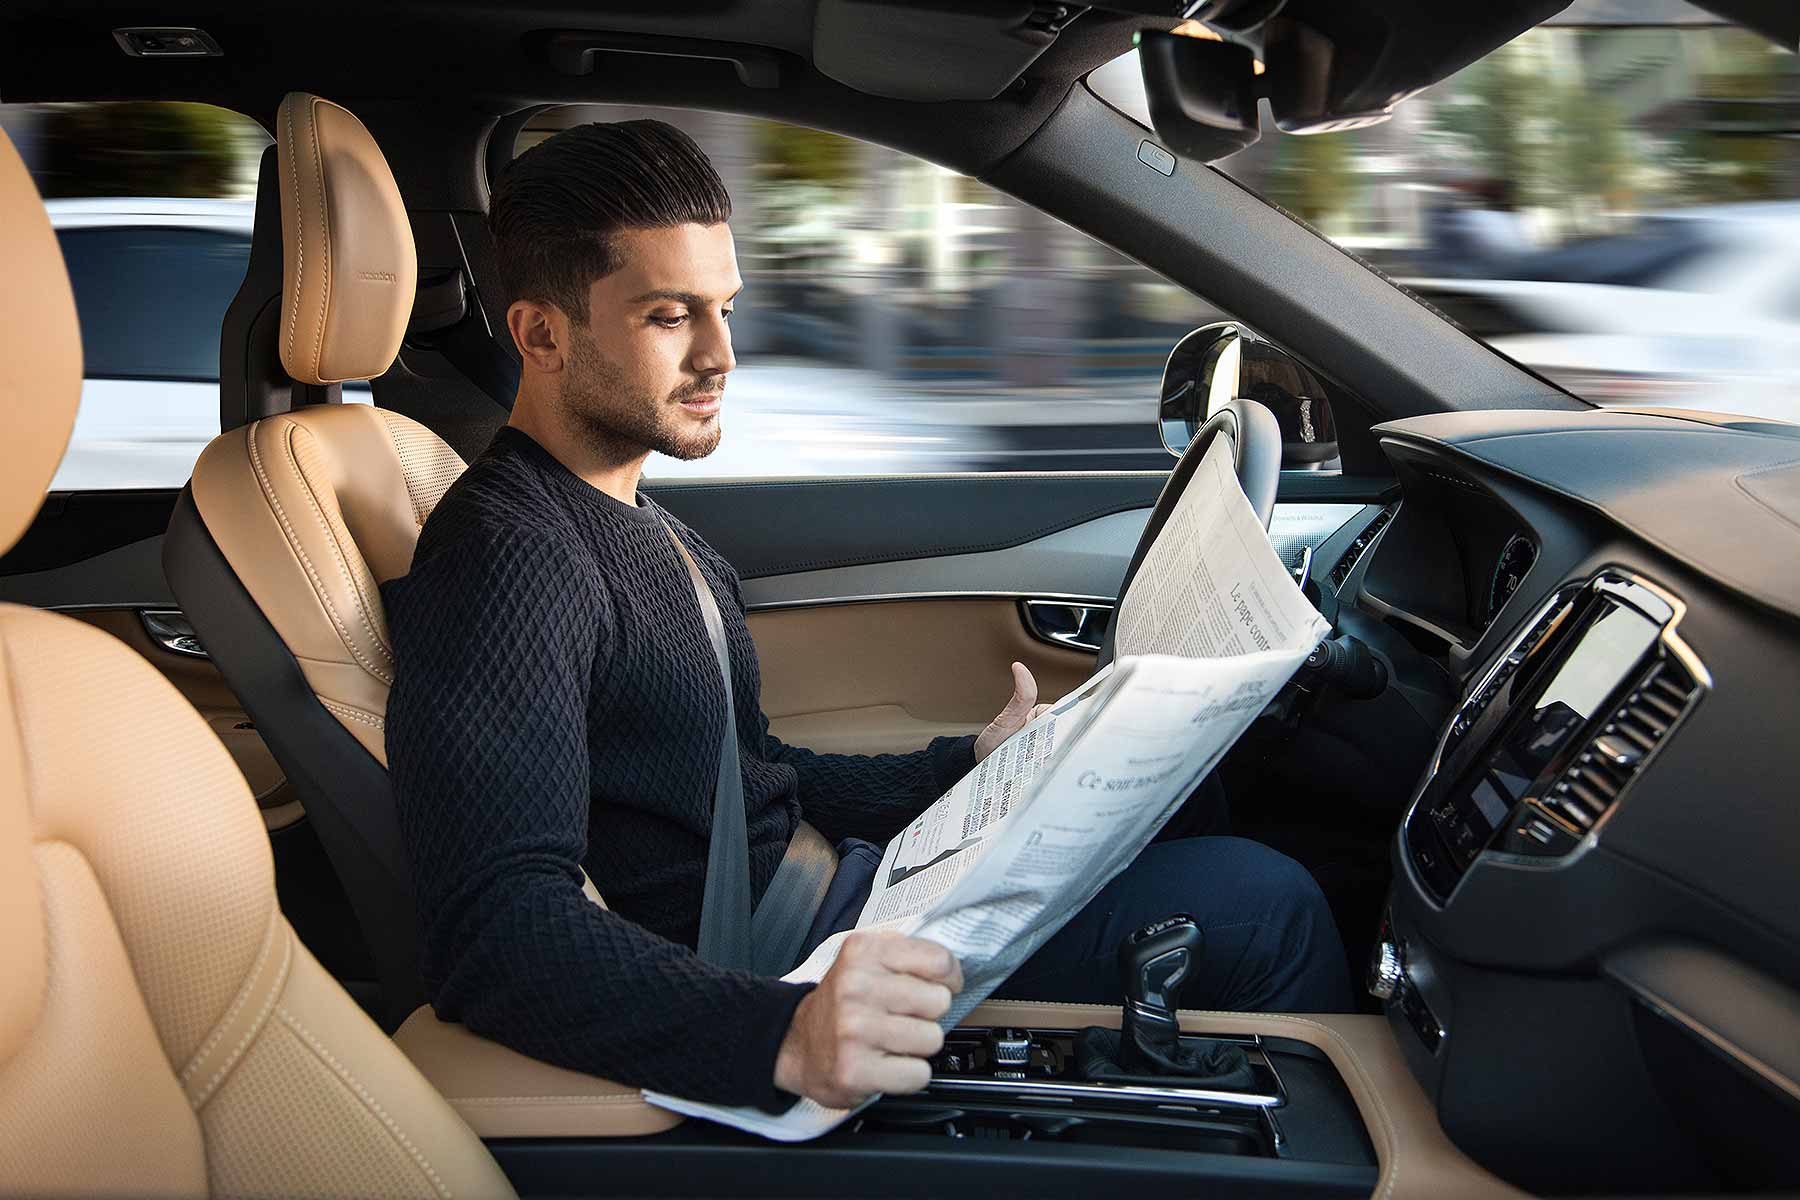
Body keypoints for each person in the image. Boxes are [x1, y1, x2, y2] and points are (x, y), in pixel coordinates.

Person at [383, 119, 1351, 1115]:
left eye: (724, 308)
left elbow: (747, 775)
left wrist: (966, 771)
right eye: (670, 317)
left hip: (836, 893)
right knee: (1267, 906)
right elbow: (492, 926)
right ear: (542, 334)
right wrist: (783, 1035)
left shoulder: (638, 518)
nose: (722, 356)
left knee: (1192, 804)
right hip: (775, 961)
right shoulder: (508, 555)